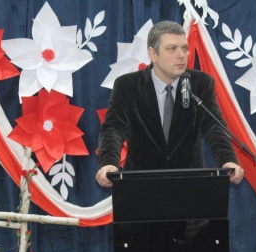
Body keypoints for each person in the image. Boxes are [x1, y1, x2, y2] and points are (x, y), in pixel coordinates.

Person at [95, 20, 244, 187]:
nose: (181, 55)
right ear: (153, 54)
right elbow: (114, 128)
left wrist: (227, 159)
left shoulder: (200, 83)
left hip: (190, 185)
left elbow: (213, 126)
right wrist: (108, 162)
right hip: (141, 186)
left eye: (184, 48)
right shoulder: (127, 86)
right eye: (172, 49)